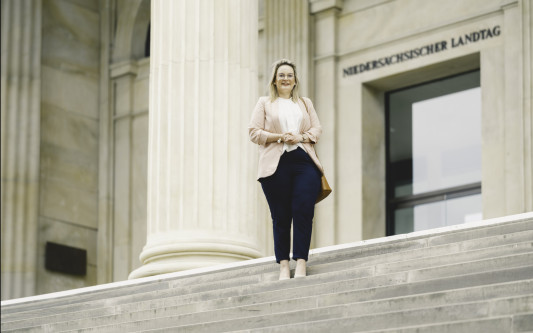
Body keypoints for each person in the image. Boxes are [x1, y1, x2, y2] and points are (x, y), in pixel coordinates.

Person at [248, 59, 324, 280]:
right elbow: (254, 132)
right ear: (274, 79)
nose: (285, 78)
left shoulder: (304, 103)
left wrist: (299, 136)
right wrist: (280, 136)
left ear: (295, 80)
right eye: (281, 75)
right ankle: (283, 265)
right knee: (280, 216)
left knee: (304, 210)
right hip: (276, 164)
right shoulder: (264, 103)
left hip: (303, 161)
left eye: (289, 75)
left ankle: (301, 262)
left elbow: (317, 129)